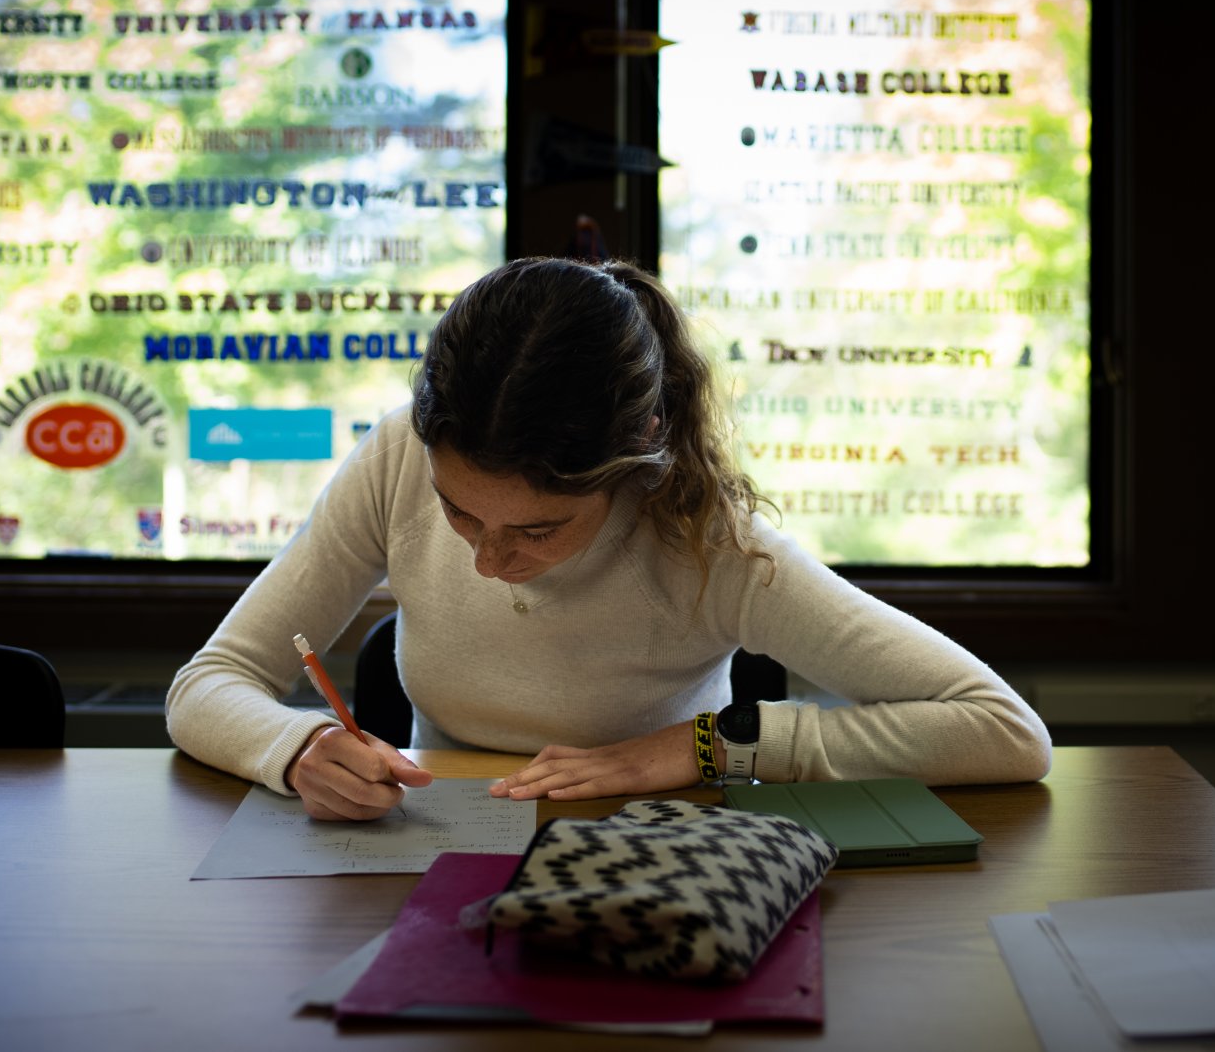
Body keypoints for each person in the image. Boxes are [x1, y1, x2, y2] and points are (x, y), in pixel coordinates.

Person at [166, 257, 1051, 820]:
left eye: (539, 528)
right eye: (461, 511)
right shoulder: (398, 453)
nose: (485, 560)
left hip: (656, 852)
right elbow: (209, 683)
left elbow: (1004, 733)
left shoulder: (706, 542)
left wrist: (710, 745)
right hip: (440, 843)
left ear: (632, 468)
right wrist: (297, 748)